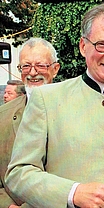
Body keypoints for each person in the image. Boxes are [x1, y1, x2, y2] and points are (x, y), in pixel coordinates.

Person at [5, 2, 104, 208]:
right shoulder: (47, 99)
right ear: (83, 46)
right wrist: (73, 193)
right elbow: (19, 172)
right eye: (102, 44)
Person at [0, 37, 60, 208]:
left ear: (55, 69)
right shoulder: (2, 116)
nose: (33, 72)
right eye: (26, 66)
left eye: (41, 65)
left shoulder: (77, 110)